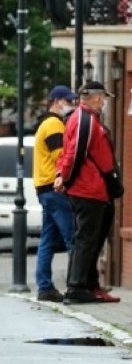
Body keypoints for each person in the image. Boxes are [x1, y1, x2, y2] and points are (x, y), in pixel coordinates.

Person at [55, 81, 122, 304]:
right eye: (102, 97)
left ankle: (89, 285)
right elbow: (75, 154)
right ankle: (77, 287)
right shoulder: (85, 119)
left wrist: (61, 176)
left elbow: (68, 153)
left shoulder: (85, 119)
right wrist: (66, 179)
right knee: (86, 238)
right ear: (91, 97)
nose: (103, 102)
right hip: (88, 189)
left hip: (93, 189)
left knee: (89, 238)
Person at [32, 85, 77, 303]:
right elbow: (61, 157)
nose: (72, 105)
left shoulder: (46, 123)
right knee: (72, 238)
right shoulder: (54, 125)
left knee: (48, 241)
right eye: (69, 101)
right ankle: (77, 284)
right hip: (55, 187)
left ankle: (45, 286)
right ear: (58, 101)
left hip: (45, 188)